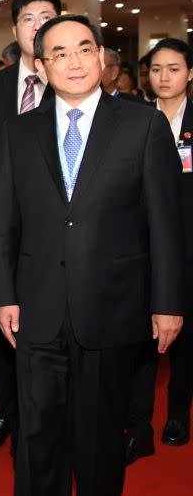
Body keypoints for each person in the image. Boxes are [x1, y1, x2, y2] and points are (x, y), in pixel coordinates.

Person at [0, 14, 184, 496]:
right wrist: (3, 295)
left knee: (100, 440)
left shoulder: (144, 124)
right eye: (59, 53)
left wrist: (168, 302)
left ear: (100, 56)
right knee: (38, 440)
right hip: (36, 307)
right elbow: (2, 222)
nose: (72, 62)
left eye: (82, 49)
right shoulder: (19, 132)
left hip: (114, 306)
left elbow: (165, 223)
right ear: (41, 65)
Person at [0, 0, 61, 455]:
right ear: (14, 29)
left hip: (54, 231)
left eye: (48, 17)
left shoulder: (71, 82)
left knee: (46, 322)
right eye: (29, 18)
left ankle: (43, 417)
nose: (38, 26)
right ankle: (7, 409)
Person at [126, 38, 193, 462]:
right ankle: (138, 424)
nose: (163, 77)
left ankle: (179, 413)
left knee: (185, 338)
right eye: (155, 69)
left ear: (190, 73)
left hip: (189, 245)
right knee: (139, 340)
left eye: (173, 68)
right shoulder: (132, 118)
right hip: (139, 247)